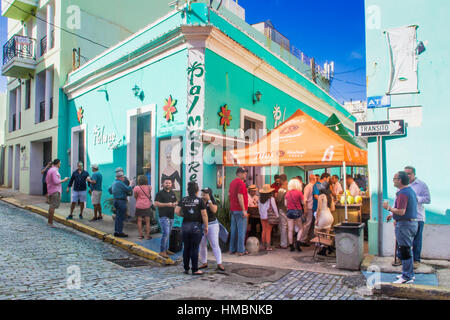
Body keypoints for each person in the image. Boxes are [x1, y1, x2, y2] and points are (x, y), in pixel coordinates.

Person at [383, 171, 418, 284]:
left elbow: (402, 211)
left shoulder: (403, 193)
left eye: (394, 178)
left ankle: (407, 276)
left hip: (405, 225)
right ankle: (408, 274)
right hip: (410, 223)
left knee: (405, 250)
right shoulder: (409, 191)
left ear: (400, 180)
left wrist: (389, 208)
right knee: (407, 250)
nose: (393, 180)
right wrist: (393, 214)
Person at [175, 181, 208, 275]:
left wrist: (184, 215)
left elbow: (176, 211)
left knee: (186, 248)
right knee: (194, 248)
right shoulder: (199, 200)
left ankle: (186, 268)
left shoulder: (184, 199)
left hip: (185, 225)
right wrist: (206, 226)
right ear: (197, 190)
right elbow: (204, 214)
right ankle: (195, 269)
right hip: (196, 226)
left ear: (188, 190)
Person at [404, 166, 431, 268]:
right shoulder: (402, 185)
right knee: (404, 239)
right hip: (405, 217)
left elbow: (428, 199)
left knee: (416, 240)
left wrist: (416, 198)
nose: (407, 175)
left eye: (409, 173)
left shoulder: (421, 185)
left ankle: (416, 260)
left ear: (414, 174)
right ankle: (403, 259)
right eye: (405, 173)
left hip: (418, 217)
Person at [199, 187, 225, 272]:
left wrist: (209, 200)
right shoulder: (199, 201)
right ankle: (204, 262)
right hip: (202, 225)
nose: (203, 195)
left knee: (214, 244)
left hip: (212, 225)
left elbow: (214, 210)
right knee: (202, 245)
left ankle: (219, 263)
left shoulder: (212, 201)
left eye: (205, 193)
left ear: (209, 194)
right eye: (202, 193)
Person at [154, 178, 177, 258]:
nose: (168, 184)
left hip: (171, 216)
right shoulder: (159, 194)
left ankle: (166, 249)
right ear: (163, 184)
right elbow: (156, 204)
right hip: (163, 216)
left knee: (168, 233)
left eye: (169, 183)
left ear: (171, 184)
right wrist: (167, 204)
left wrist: (175, 204)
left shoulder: (172, 193)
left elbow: (176, 201)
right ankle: (162, 251)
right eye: (166, 183)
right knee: (165, 233)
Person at [228, 167, 249, 256]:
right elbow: (240, 196)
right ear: (239, 173)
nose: (245, 175)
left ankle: (232, 249)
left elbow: (229, 195)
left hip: (233, 209)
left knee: (234, 230)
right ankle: (241, 250)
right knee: (241, 231)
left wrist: (232, 205)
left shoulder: (232, 182)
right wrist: (244, 210)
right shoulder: (241, 183)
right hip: (240, 210)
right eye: (244, 173)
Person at [108, 169, 133, 237]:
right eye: (122, 177)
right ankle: (120, 232)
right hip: (121, 201)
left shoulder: (114, 183)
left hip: (116, 200)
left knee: (118, 217)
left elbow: (109, 190)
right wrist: (130, 184)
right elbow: (128, 189)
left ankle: (117, 231)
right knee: (121, 217)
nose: (123, 178)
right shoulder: (120, 183)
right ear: (120, 177)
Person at [45, 159, 69, 227]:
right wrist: (64, 180)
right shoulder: (54, 171)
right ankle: (50, 222)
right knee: (53, 207)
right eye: (60, 163)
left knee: (51, 206)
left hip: (50, 190)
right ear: (58, 163)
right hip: (55, 191)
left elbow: (47, 180)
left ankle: (49, 221)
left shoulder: (50, 170)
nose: (60, 165)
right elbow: (56, 182)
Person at [285, 179, 305, 252]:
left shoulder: (287, 193)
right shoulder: (299, 193)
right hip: (297, 212)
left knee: (290, 229)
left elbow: (285, 204)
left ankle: (291, 246)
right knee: (300, 228)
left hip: (289, 212)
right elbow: (303, 203)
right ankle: (298, 243)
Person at [257, 184, 279, 251]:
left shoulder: (259, 199)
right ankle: (268, 246)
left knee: (263, 230)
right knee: (268, 231)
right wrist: (277, 215)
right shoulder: (271, 199)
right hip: (269, 216)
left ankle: (263, 245)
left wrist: (261, 214)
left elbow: (259, 208)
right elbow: (274, 208)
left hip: (262, 216)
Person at [315, 183, 335, 256]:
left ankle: (322, 248)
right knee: (327, 233)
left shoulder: (321, 196)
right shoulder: (330, 196)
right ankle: (328, 246)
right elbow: (333, 208)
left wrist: (317, 219)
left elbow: (319, 209)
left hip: (323, 216)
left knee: (317, 232)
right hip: (330, 216)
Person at [133, 175, 153, 240]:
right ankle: (148, 235)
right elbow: (149, 195)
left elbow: (135, 196)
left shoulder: (136, 188)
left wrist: (139, 200)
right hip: (147, 205)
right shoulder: (149, 187)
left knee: (139, 220)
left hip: (139, 205)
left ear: (139, 181)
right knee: (147, 221)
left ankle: (140, 235)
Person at [300, 174, 316, 247]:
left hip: (313, 207)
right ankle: (302, 240)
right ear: (313, 179)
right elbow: (305, 199)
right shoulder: (308, 187)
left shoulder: (314, 186)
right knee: (307, 224)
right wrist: (305, 208)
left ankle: (310, 238)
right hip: (309, 207)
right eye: (315, 178)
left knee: (311, 224)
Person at [275, 174, 289, 249]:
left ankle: (283, 244)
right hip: (289, 209)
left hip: (282, 208)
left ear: (281, 179)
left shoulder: (282, 189)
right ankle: (289, 242)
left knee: (283, 226)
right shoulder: (289, 187)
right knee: (288, 226)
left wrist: (276, 196)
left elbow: (278, 199)